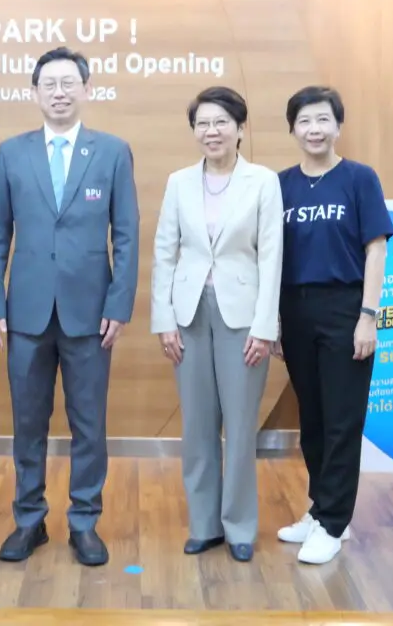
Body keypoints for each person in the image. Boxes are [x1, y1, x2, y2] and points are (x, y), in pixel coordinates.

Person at [0, 46, 140, 567]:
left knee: (88, 424)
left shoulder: (112, 151)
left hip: (90, 312)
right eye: (48, 83)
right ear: (34, 92)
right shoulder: (13, 152)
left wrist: (119, 303)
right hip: (25, 311)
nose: (59, 92)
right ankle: (29, 519)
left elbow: (127, 234)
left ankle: (84, 522)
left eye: (68, 82)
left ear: (86, 89)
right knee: (28, 422)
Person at [150, 86, 283, 563]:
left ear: (240, 128)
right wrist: (164, 319)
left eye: (221, 122)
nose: (212, 131)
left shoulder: (263, 181)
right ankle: (204, 524)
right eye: (203, 123)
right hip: (188, 314)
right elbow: (165, 252)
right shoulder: (179, 182)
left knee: (241, 426)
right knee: (198, 425)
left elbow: (271, 257)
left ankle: (239, 526)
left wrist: (265, 327)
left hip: (243, 317)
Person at [274, 85, 393, 565]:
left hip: (346, 308)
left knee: (343, 420)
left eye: (323, 119)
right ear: (293, 129)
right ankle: (320, 507)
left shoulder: (359, 179)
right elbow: (272, 255)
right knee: (313, 419)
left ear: (338, 126)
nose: (314, 129)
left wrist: (368, 316)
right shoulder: (280, 185)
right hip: (295, 309)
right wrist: (275, 319)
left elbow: (376, 249)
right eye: (304, 121)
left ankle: (334, 523)